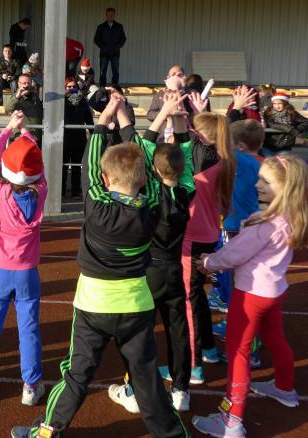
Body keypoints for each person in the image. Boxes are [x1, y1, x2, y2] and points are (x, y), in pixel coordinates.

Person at [11, 92, 187, 438]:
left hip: (93, 306)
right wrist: (127, 122)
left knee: (76, 374)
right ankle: (173, 436)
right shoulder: (152, 206)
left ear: (105, 181)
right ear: (144, 179)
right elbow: (145, 166)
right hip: (136, 305)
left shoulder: (96, 204)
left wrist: (106, 115)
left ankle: (46, 432)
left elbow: (92, 162)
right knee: (146, 378)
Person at [192, 154, 307, 438]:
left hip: (251, 295)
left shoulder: (264, 225)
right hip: (274, 291)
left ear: (285, 188)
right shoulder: (291, 216)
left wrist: (208, 262)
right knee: (275, 339)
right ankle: (284, 387)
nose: (257, 185)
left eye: (265, 181)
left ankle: (231, 421)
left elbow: (234, 254)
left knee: (238, 352)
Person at [108, 91, 195, 414]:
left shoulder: (151, 191)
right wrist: (178, 117)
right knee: (177, 330)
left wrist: (164, 114)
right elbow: (184, 151)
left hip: (147, 270)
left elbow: (142, 147)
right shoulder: (186, 190)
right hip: (173, 270)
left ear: (153, 173)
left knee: (139, 331)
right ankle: (181, 389)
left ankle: (133, 387)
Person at [0, 111, 47, 406]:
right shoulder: (41, 192)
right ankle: (30, 385)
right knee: (29, 329)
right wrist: (25, 134)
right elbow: (37, 163)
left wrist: (8, 130)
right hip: (27, 272)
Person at [180, 100, 236, 385]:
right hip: (208, 233)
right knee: (197, 295)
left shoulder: (204, 161)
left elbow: (188, 138)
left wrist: (181, 111)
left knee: (188, 301)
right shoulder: (222, 157)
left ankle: (193, 366)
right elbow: (202, 135)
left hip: (194, 236)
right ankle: (209, 349)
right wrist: (199, 113)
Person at [208, 119, 265, 360]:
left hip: (236, 229)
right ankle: (243, 332)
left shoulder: (238, 160)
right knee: (246, 285)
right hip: (252, 227)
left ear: (239, 146)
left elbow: (216, 145)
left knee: (238, 286)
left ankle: (249, 348)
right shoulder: (262, 163)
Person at [63, 77, 93, 198]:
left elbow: (88, 118)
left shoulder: (83, 101)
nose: (72, 89)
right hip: (65, 137)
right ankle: (62, 190)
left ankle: (75, 190)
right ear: (65, 88)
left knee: (76, 166)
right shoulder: (62, 101)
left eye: (74, 86)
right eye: (69, 87)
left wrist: (93, 134)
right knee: (63, 166)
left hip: (79, 138)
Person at [261, 92, 308, 156]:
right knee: (268, 161)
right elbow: (272, 124)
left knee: (283, 161)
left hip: (285, 145)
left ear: (285, 103)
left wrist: (297, 128)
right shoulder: (268, 113)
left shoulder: (292, 113)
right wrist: (290, 129)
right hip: (269, 144)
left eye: (279, 103)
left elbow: (305, 122)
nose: (277, 106)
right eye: (274, 103)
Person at [4, 73, 44, 143]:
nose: (26, 85)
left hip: (37, 136)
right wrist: (18, 96)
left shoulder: (35, 96)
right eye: (24, 83)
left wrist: (36, 93)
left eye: (29, 83)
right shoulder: (16, 98)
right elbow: (7, 109)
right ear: (19, 84)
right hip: (22, 138)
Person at [93, 7, 126, 87]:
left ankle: (115, 88)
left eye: (112, 15)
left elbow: (123, 39)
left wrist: (118, 46)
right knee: (102, 71)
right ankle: (102, 88)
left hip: (115, 53)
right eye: (108, 14)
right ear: (106, 15)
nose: (110, 16)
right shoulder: (101, 26)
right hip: (104, 53)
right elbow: (96, 39)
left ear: (114, 15)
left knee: (115, 71)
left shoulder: (119, 26)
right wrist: (103, 47)